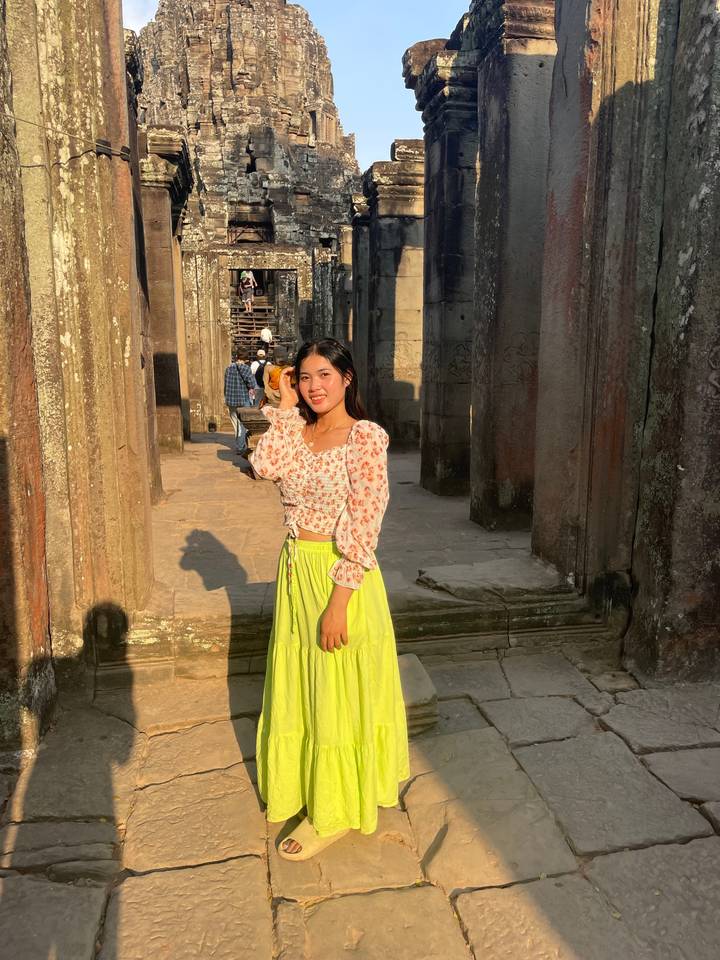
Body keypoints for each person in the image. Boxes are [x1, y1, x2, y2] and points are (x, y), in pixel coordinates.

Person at [250, 338, 409, 861]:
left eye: (323, 375)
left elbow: (366, 517)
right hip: (294, 570)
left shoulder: (363, 437)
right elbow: (263, 467)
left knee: (334, 690)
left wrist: (339, 601)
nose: (314, 386)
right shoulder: (297, 432)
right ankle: (303, 788)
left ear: (346, 379)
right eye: (304, 376)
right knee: (301, 684)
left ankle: (335, 808)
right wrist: (283, 410)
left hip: (340, 577)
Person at [223, 354, 255, 454]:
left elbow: (226, 384)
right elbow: (252, 384)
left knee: (235, 423)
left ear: (237, 356)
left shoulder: (228, 368)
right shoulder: (246, 368)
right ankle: (241, 446)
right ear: (245, 358)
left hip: (231, 399)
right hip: (243, 399)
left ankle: (239, 445)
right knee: (243, 424)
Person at [262, 344, 290, 408]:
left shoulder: (289, 369)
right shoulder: (268, 368)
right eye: (279, 357)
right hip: (272, 394)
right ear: (274, 357)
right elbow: (265, 383)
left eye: (283, 357)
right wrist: (268, 391)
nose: (281, 359)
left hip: (285, 393)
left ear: (286, 357)